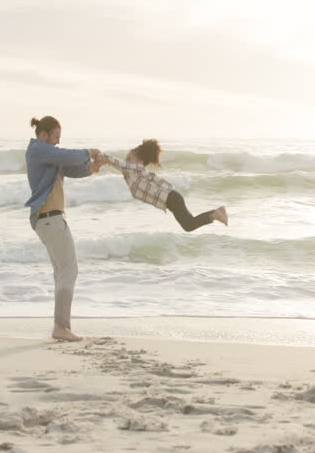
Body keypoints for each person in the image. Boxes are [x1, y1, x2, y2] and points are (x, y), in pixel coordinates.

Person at [24, 116, 99, 342]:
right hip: (50, 218)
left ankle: (61, 326)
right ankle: (61, 327)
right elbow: (66, 155)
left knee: (62, 272)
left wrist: (93, 167)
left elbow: (71, 168)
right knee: (69, 270)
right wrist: (89, 151)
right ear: (43, 134)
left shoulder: (49, 155)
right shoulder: (38, 149)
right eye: (56, 136)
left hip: (50, 219)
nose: (58, 141)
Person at [97, 139, 227, 232]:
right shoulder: (133, 173)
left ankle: (215, 213)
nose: (126, 162)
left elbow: (120, 164)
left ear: (140, 161)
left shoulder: (135, 169)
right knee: (189, 225)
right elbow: (123, 166)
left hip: (172, 199)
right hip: (172, 200)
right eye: (127, 159)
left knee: (188, 225)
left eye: (129, 159)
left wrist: (105, 157)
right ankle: (215, 213)